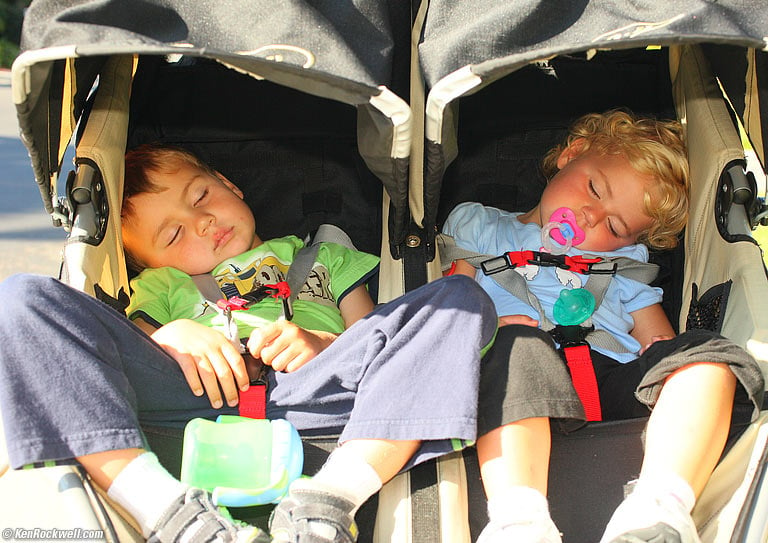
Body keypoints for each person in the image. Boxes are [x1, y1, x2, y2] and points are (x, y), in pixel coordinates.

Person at [0, 144, 499, 543]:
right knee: (23, 297)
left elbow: (377, 343)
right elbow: (122, 353)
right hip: (194, 408)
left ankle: (330, 500)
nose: (202, 223)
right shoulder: (162, 289)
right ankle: (162, 510)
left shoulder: (324, 256)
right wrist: (167, 335)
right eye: (173, 235)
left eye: (201, 198)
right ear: (150, 264)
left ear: (229, 185)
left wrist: (323, 342)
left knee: (459, 298)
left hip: (318, 403)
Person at [441, 110, 765, 543]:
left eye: (615, 226)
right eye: (595, 188)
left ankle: (658, 509)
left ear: (629, 241)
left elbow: (660, 344)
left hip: (605, 375)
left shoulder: (622, 266)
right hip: (510, 371)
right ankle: (519, 522)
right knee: (518, 345)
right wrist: (486, 327)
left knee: (706, 355)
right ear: (571, 154)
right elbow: (448, 305)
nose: (592, 216)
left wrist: (678, 368)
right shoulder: (479, 224)